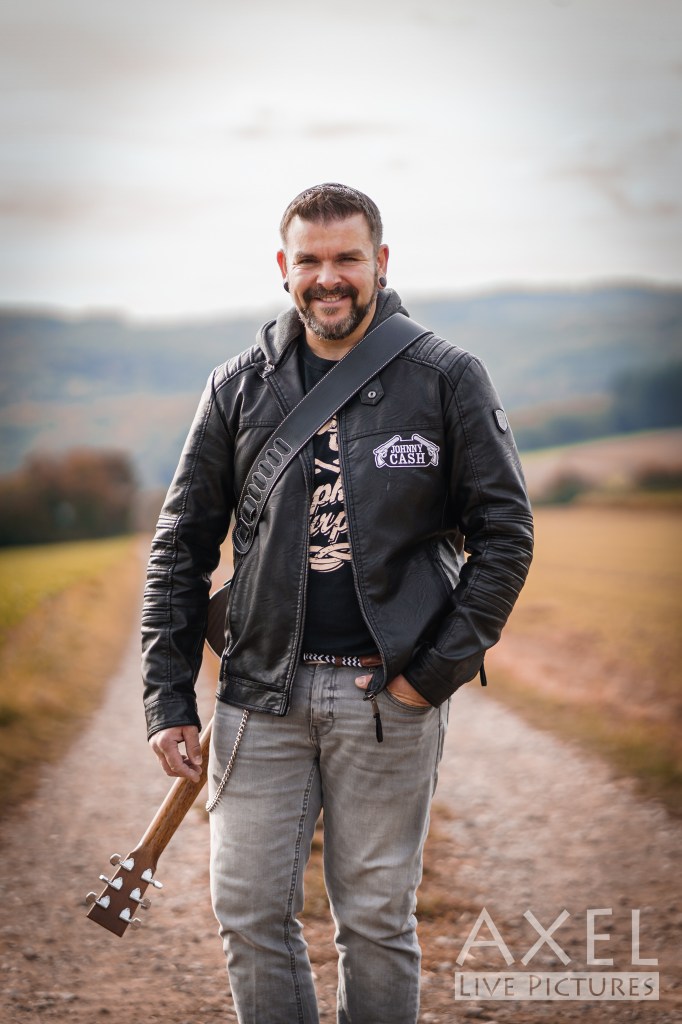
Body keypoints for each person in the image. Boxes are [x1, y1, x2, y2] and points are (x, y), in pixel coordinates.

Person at [142, 183, 534, 1024]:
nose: (329, 277)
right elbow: (179, 546)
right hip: (258, 698)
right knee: (248, 915)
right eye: (310, 261)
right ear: (283, 268)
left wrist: (429, 678)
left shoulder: (446, 377)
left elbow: (506, 536)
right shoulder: (236, 387)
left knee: (377, 923)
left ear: (380, 262)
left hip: (388, 699)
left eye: (347, 258)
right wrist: (167, 698)